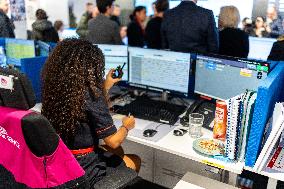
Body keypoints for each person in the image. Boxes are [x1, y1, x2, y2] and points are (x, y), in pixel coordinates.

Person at [41, 39, 141, 186]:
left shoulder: (55, 88)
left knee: (118, 151)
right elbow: (113, 141)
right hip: (84, 168)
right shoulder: (90, 94)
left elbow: (87, 108)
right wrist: (126, 126)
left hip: (62, 160)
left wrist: (105, 86)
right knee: (134, 159)